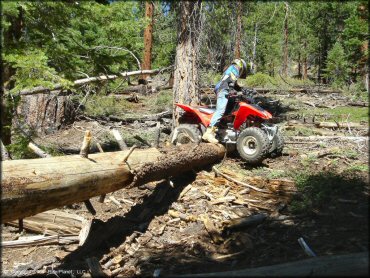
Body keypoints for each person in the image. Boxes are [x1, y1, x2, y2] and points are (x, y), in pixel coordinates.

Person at [202, 58, 252, 143]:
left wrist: (244, 91)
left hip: (225, 89)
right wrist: (233, 89)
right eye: (242, 70)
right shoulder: (233, 68)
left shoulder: (233, 72)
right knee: (221, 110)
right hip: (223, 89)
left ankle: (223, 127)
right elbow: (229, 82)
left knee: (230, 110)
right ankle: (209, 132)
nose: (241, 73)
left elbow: (235, 84)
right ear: (240, 66)